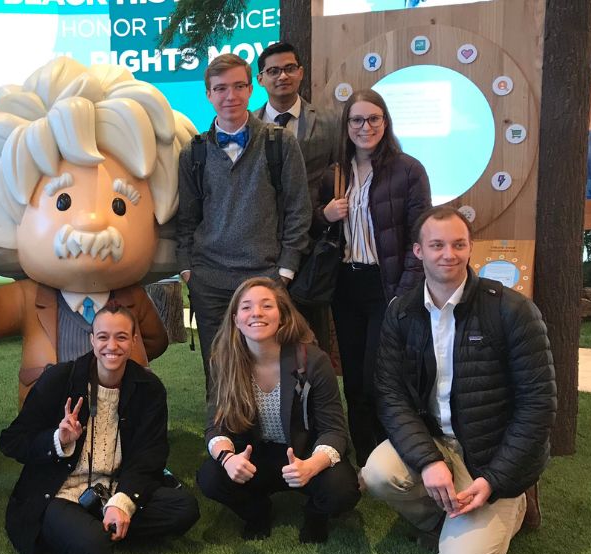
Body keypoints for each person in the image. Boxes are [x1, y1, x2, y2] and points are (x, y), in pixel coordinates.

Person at [0, 57, 190, 403]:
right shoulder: (30, 296)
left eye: (120, 205)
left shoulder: (132, 298)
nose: (92, 221)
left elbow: (154, 341)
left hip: (123, 413)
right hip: (49, 417)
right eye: (63, 202)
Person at [363, 206, 555, 554]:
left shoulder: (513, 311)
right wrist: (429, 461)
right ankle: (444, 518)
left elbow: (538, 406)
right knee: (377, 474)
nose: (448, 254)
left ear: (470, 248)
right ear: (418, 251)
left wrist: (496, 480)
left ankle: (516, 502)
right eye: (436, 245)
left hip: (492, 456)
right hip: (437, 443)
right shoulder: (401, 313)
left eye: (458, 244)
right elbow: (390, 394)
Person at [0, 304, 200, 554]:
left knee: (184, 508)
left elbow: (149, 456)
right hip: (61, 493)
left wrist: (122, 502)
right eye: (103, 337)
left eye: (121, 337)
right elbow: (12, 441)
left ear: (133, 340)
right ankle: (88, 536)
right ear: (92, 340)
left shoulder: (149, 388)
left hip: (112, 490)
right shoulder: (59, 379)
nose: (112, 346)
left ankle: (92, 530)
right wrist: (58, 440)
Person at [176, 53, 313, 396]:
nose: (230, 96)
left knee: (269, 372)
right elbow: (186, 218)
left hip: (264, 278)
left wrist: (286, 270)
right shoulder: (193, 153)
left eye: (239, 86)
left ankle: (269, 445)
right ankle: (222, 446)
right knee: (218, 371)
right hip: (210, 280)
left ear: (251, 89)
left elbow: (299, 209)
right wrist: (187, 269)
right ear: (208, 94)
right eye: (220, 88)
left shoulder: (279, 143)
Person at [315, 89, 431, 465]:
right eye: (357, 120)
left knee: (378, 376)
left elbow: (420, 236)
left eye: (373, 119)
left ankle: (392, 450)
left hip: (388, 287)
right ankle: (364, 457)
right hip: (345, 285)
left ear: (385, 122)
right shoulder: (335, 172)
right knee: (351, 374)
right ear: (346, 126)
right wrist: (325, 215)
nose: (365, 127)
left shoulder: (408, 170)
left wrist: (405, 292)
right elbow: (311, 228)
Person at [196, 278, 359, 541]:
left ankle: (315, 513)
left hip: (303, 453)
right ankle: (257, 511)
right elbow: (215, 426)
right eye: (247, 307)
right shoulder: (224, 362)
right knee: (210, 477)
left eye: (266, 306)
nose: (257, 313)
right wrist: (228, 459)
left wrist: (312, 466)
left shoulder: (314, 360)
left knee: (343, 489)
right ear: (236, 319)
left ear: (282, 317)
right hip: (255, 458)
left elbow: (334, 430)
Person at [253, 42, 341, 351]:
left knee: (310, 339)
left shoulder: (329, 123)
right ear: (261, 79)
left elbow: (341, 175)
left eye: (289, 68)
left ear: (300, 73)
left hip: (312, 247)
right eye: (273, 71)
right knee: (263, 337)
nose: (282, 76)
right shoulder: (247, 127)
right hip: (260, 248)